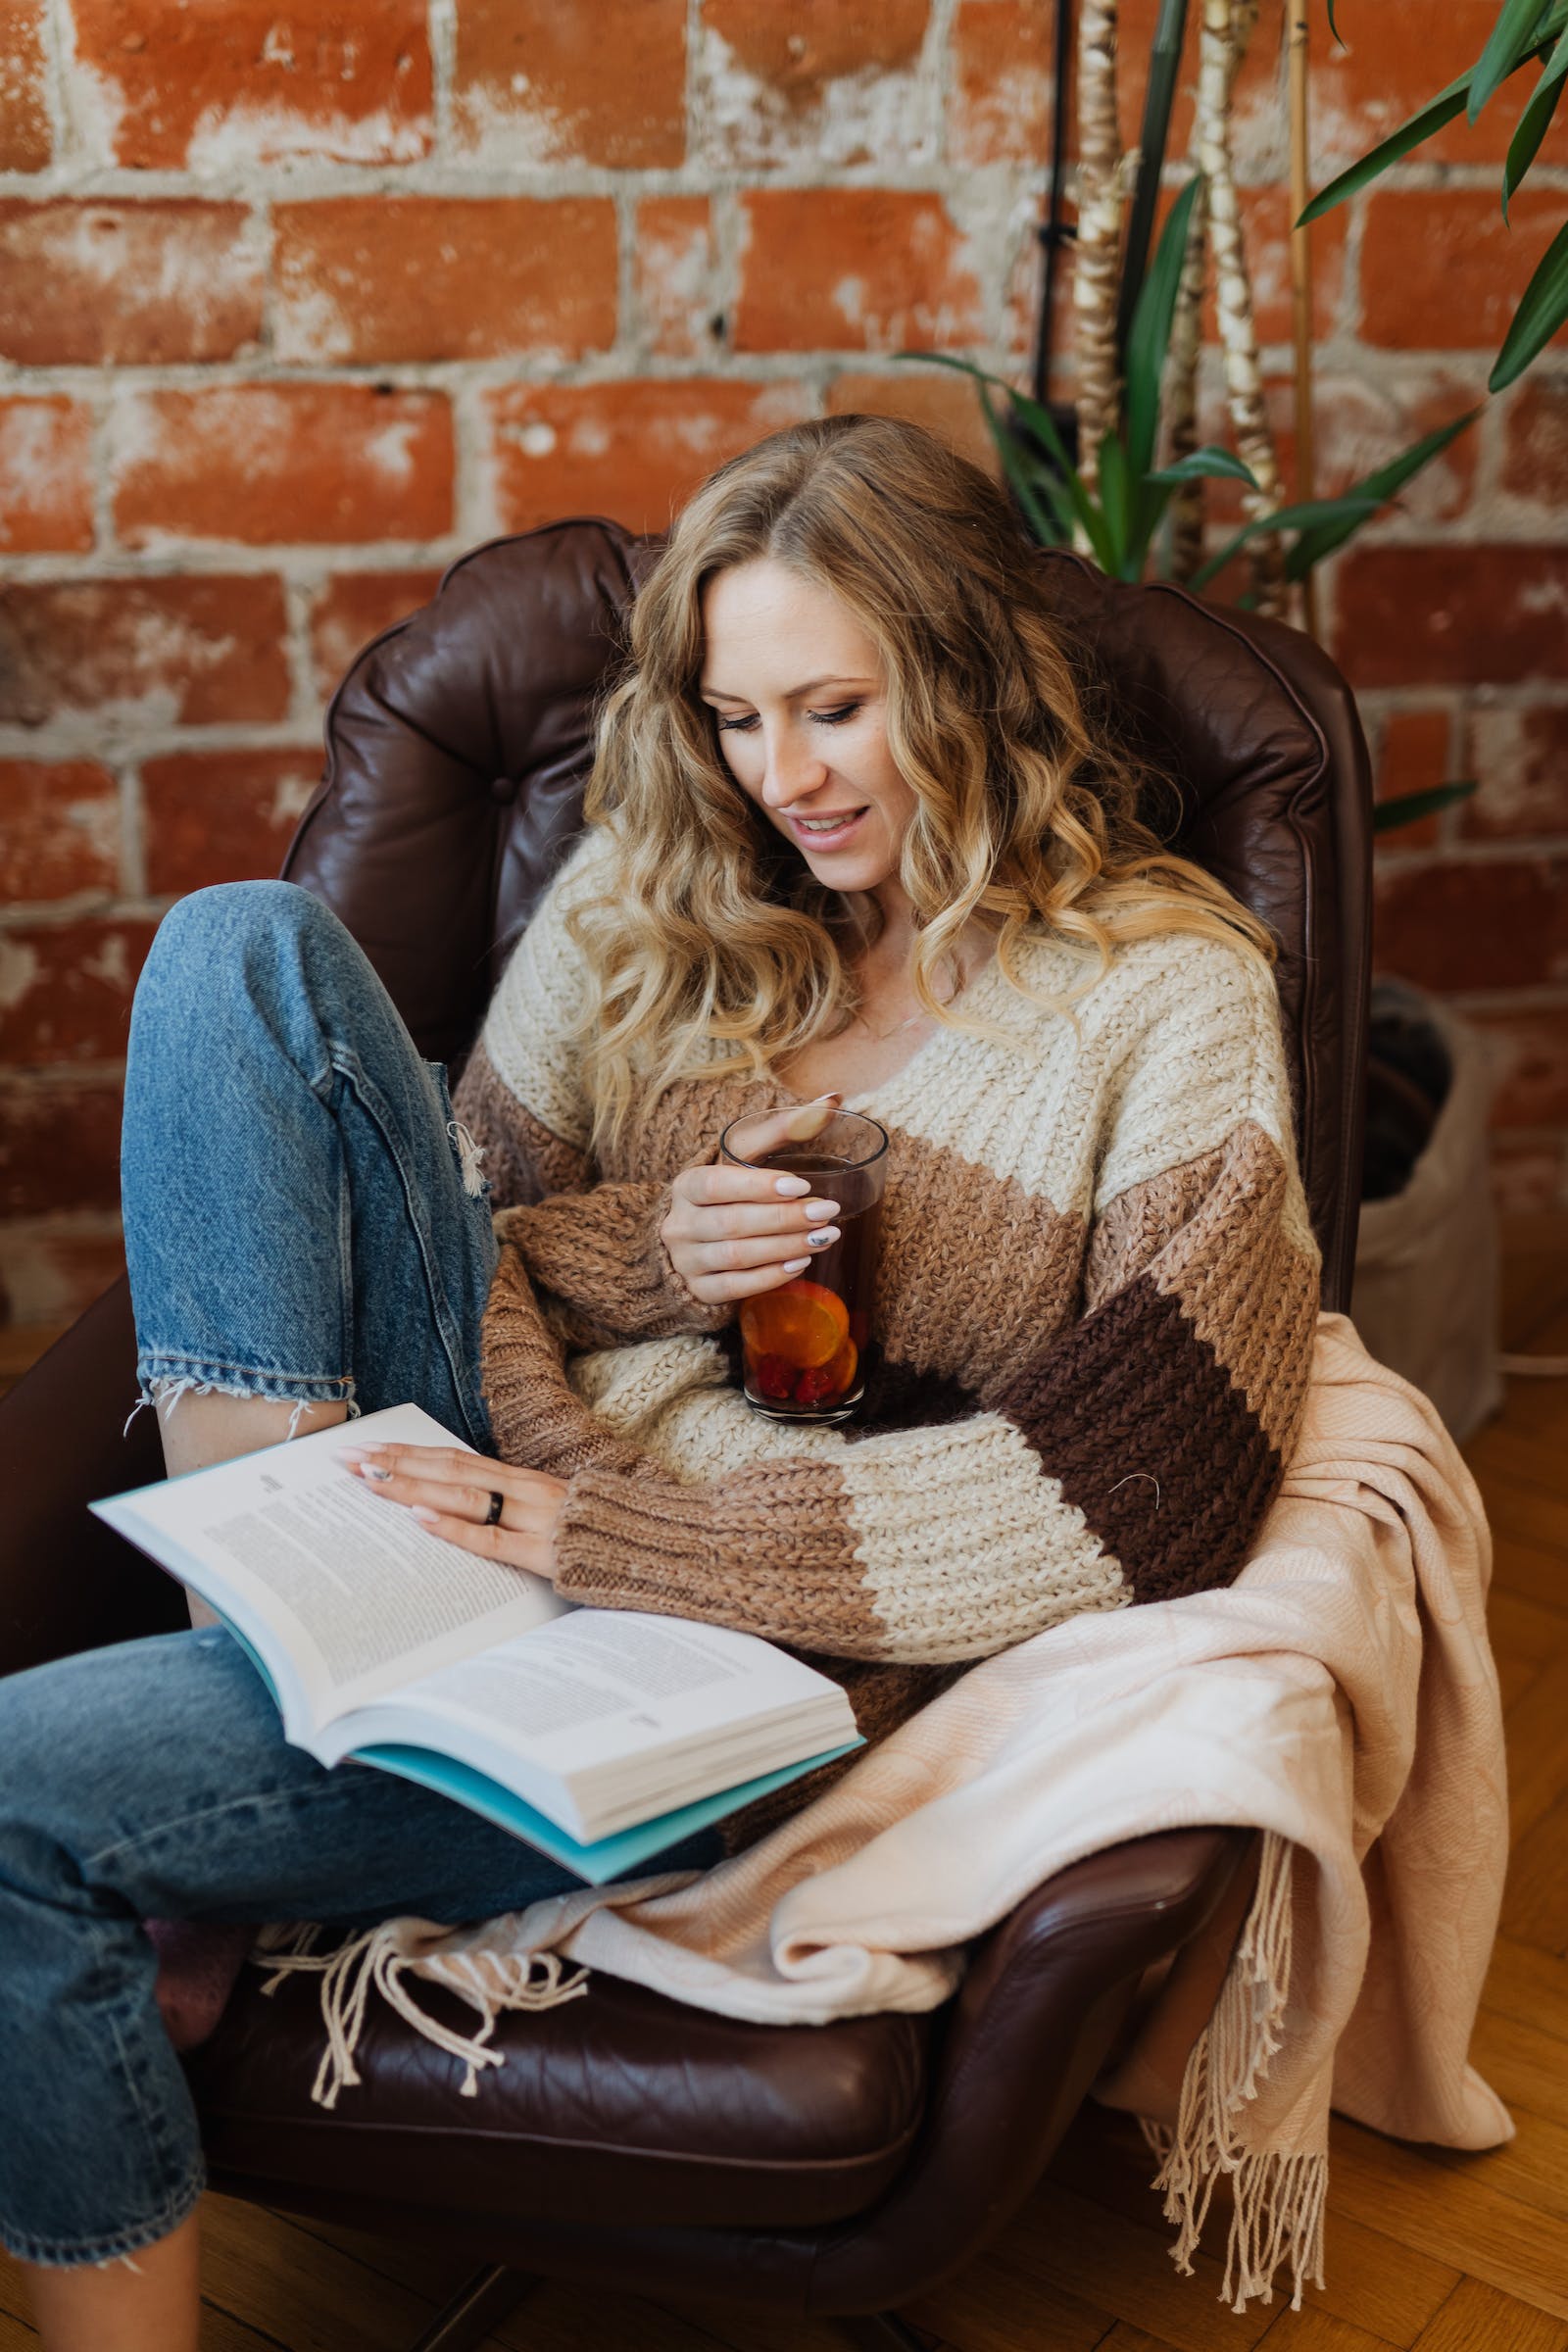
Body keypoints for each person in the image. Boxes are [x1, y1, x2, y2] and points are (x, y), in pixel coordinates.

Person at [0, 414, 1321, 2347]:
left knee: (16, 1799)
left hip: (728, 1647)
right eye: (731, 716)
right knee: (238, 952)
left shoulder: (1156, 998)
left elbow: (1155, 1484)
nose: (777, 778)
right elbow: (467, 1229)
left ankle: (268, 1758)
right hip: (466, 1477)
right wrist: (645, 1255)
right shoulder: (651, 903)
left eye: (834, 709)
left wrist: (599, 1525)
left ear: (961, 676)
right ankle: (271, 1630)